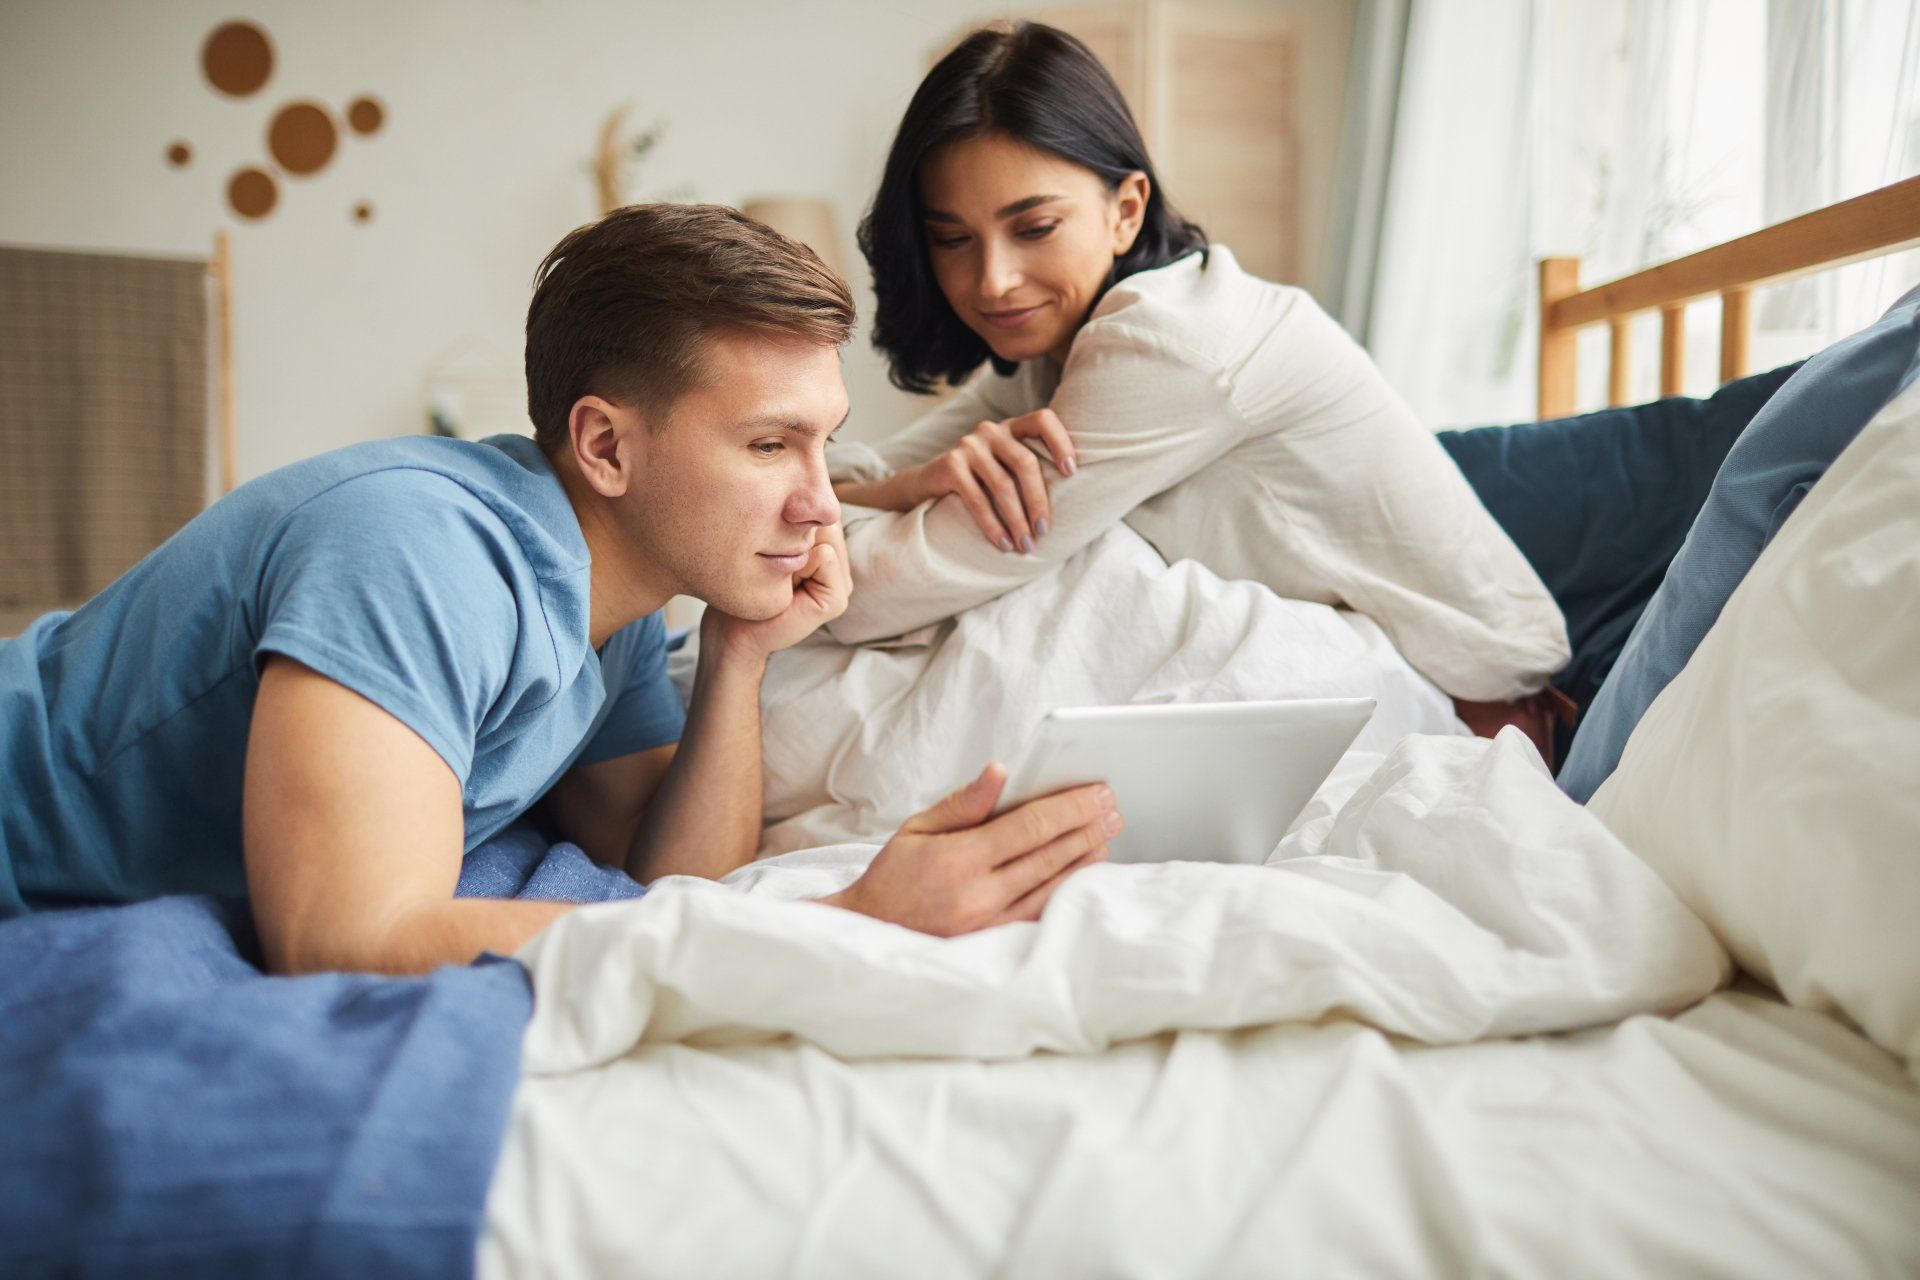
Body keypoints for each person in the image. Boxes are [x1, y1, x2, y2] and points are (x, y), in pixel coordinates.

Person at [0, 203, 1121, 973]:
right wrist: (842, 922)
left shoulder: (611, 600)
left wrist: (739, 655)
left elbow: (665, 867)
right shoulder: (416, 552)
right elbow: (341, 938)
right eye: (770, 445)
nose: (823, 503)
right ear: (604, 446)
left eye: (822, 444)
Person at [826, 22, 1571, 713]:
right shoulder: (1051, 353)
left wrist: (886, 504)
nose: (992, 281)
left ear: (1125, 210)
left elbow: (868, 593)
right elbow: (822, 486)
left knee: (1048, 600)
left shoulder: (1168, 343)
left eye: (1035, 228)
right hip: (1367, 665)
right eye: (952, 239)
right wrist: (904, 486)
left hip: (1473, 698)